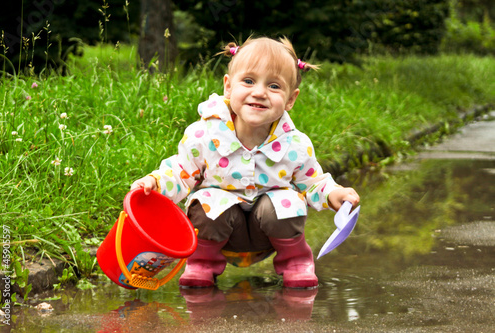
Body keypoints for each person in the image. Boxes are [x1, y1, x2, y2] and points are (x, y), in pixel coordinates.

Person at [130, 36, 360, 289]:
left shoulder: (294, 144)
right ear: (228, 87)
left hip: (269, 234)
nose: (259, 92)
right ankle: (202, 264)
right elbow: (181, 172)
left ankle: (295, 262)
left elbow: (312, 181)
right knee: (206, 201)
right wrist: (154, 181)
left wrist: (334, 193)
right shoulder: (204, 134)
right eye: (248, 81)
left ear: (291, 99)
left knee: (286, 200)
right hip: (221, 231)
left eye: (274, 86)